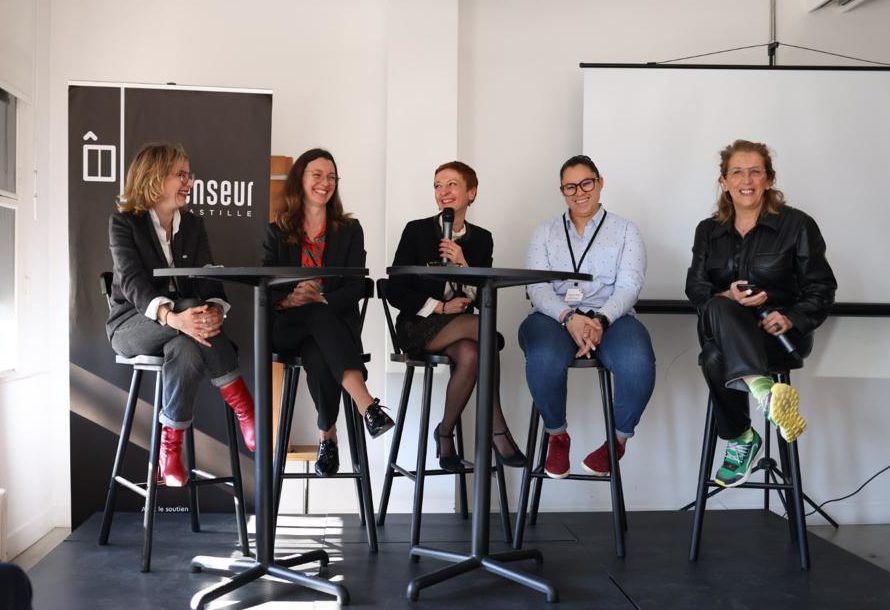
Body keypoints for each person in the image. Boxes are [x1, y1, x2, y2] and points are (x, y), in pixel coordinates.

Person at [686, 139, 836, 488]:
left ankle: (741, 438)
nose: (746, 179)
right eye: (737, 172)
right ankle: (764, 391)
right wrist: (727, 295)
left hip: (777, 338)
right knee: (719, 305)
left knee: (712, 358)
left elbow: (822, 288)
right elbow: (696, 289)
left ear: (769, 179)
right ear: (724, 181)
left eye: (755, 171)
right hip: (726, 330)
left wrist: (790, 317)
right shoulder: (708, 231)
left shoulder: (797, 225)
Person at [107, 143, 256, 487]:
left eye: (189, 174)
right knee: (189, 316)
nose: (189, 181)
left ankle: (170, 452)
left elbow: (208, 277)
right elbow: (130, 282)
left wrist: (216, 309)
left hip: (186, 332)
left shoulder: (192, 225)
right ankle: (246, 411)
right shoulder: (124, 223)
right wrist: (174, 317)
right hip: (131, 326)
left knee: (187, 349)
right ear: (155, 178)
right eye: (181, 174)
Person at [518, 154, 655, 479]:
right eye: (570, 187)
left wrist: (600, 321)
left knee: (637, 360)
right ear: (562, 190)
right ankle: (557, 435)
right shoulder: (545, 232)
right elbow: (537, 287)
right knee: (543, 355)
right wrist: (569, 317)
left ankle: (617, 442)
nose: (579, 192)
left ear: (600, 182)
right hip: (554, 317)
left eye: (586, 183)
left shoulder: (625, 231)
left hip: (610, 317)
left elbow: (629, 286)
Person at [262, 148, 394, 477]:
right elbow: (264, 286)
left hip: (331, 328)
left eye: (331, 177)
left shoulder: (349, 230)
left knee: (318, 351)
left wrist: (319, 298)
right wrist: (292, 299)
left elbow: (354, 287)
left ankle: (327, 435)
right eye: (317, 175)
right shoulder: (275, 231)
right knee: (313, 316)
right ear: (300, 180)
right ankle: (368, 407)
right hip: (287, 327)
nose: (325, 183)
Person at [386, 161, 525, 472]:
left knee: (475, 352)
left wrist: (463, 263)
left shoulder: (482, 239)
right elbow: (394, 289)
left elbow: (481, 294)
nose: (443, 192)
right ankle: (497, 426)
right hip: (419, 326)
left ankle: (444, 432)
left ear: (471, 193)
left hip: (462, 332)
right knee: (483, 328)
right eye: (437, 185)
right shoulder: (417, 231)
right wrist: (438, 307)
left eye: (451, 184)